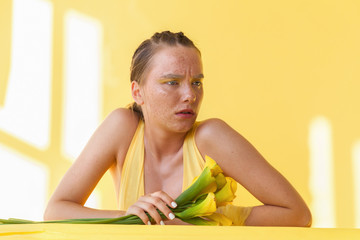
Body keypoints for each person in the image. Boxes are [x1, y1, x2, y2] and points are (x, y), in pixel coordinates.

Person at [44, 31, 312, 226]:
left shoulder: (211, 137)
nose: (190, 95)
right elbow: (56, 210)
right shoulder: (122, 128)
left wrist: (211, 221)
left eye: (196, 82)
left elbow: (298, 215)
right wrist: (130, 217)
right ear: (138, 92)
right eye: (172, 82)